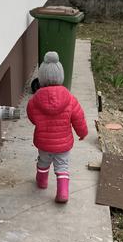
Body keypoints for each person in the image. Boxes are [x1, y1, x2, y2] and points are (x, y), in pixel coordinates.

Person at [26, 52, 88, 204]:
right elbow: (78, 118)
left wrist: (40, 123)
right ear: (61, 76)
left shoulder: (34, 101)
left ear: (41, 78)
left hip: (44, 142)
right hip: (63, 144)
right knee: (62, 166)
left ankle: (42, 182)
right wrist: (82, 132)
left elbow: (32, 117)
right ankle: (63, 193)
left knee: (43, 162)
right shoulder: (70, 99)